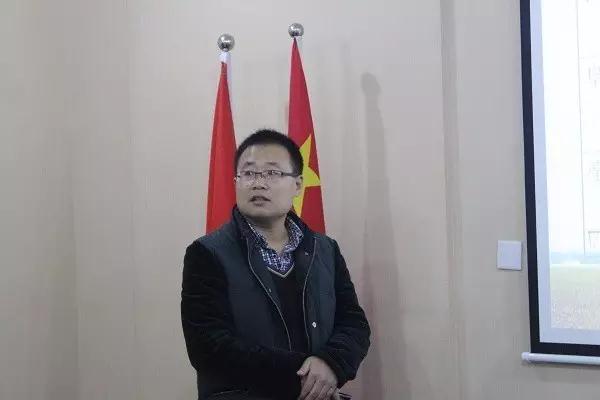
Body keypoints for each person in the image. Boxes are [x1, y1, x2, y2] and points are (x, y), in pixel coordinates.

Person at [181, 129, 370, 400]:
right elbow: (208, 345)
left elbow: (353, 323)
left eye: (272, 173)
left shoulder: (325, 250)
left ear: (298, 185)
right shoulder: (206, 253)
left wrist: (330, 363)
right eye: (248, 173)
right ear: (235, 182)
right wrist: (305, 373)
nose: (259, 183)